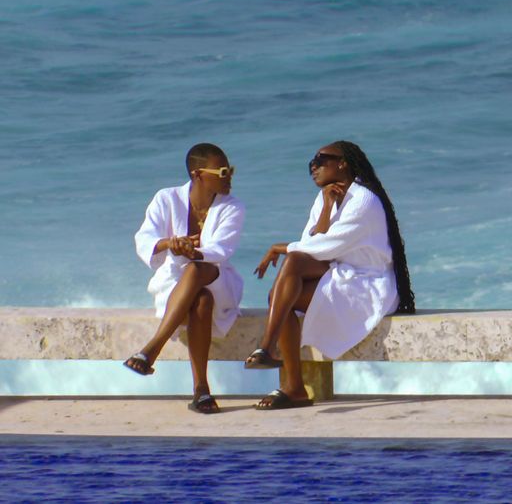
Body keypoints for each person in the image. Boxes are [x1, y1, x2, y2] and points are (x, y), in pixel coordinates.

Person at [246, 140, 414, 410]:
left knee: (290, 272)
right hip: (340, 270)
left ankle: (267, 347)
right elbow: (311, 242)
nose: (314, 166)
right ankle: (293, 385)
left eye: (320, 159)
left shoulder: (364, 200)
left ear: (342, 162)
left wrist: (280, 247)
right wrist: (326, 207)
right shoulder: (326, 196)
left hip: (367, 282)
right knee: (282, 290)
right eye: (311, 163)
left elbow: (324, 247)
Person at [127, 143, 245, 415]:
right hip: (174, 284)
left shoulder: (233, 206)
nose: (229, 177)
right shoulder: (166, 198)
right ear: (198, 174)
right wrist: (170, 243)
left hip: (219, 280)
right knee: (200, 300)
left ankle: (151, 350)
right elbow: (144, 238)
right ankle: (201, 390)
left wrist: (190, 250)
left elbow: (221, 250)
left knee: (196, 271)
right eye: (223, 171)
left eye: (231, 170)